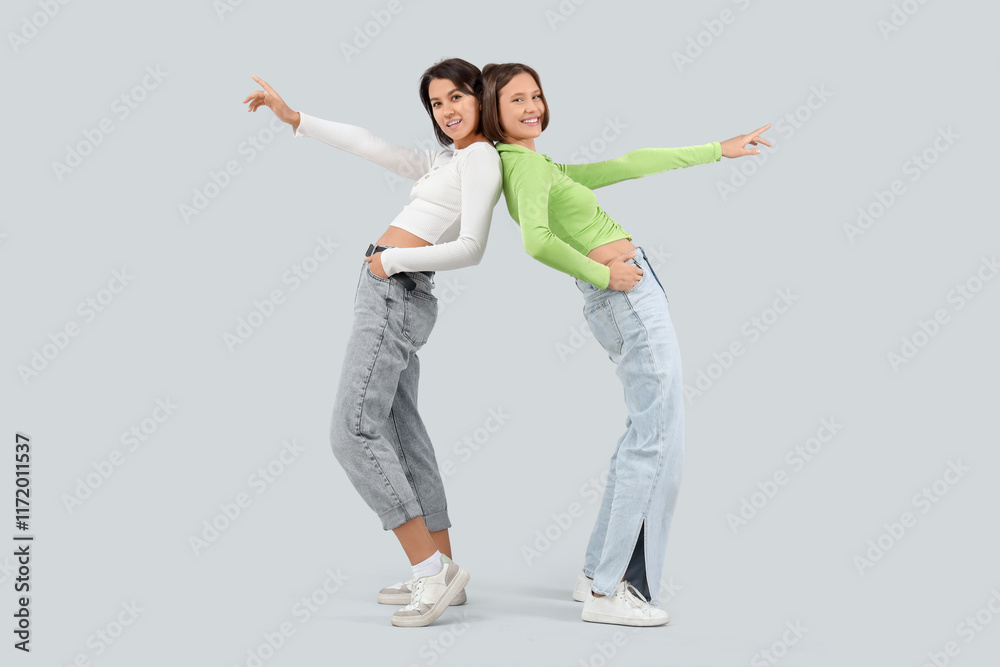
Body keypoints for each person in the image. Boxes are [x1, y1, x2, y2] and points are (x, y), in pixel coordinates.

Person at [481, 62, 771, 627]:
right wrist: (601, 272)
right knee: (658, 441)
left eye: (536, 95)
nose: (531, 106)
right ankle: (611, 590)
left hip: (627, 296)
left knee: (647, 433)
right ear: (492, 109)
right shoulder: (522, 166)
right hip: (626, 296)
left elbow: (627, 164)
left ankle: (596, 573)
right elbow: (536, 242)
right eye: (515, 99)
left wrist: (720, 149)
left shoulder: (534, 163)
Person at [242, 58, 502, 627]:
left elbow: (472, 247)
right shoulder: (448, 160)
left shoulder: (481, 157)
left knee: (352, 429)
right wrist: (294, 117)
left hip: (394, 287)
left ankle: (429, 572)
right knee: (399, 430)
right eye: (437, 103)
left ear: (482, 97)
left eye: (458, 96)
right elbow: (369, 144)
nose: (448, 110)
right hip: (390, 286)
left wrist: (389, 262)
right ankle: (447, 571)